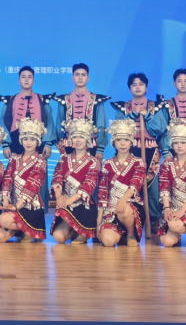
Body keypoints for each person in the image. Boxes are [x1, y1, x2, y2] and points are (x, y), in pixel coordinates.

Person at [110, 73, 168, 231]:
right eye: (134, 84)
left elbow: (160, 128)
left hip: (150, 150)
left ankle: (153, 219)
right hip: (128, 150)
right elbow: (117, 128)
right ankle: (129, 218)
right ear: (129, 89)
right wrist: (133, 115)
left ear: (146, 88)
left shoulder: (156, 106)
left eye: (141, 84)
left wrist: (147, 115)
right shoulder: (122, 107)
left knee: (152, 186)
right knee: (128, 183)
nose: (137, 87)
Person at [0, 66, 56, 211]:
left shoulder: (43, 101)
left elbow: (49, 122)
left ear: (33, 81)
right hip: (16, 142)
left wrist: (48, 143)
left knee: (38, 176)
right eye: (23, 77)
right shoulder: (10, 101)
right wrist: (6, 144)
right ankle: (15, 209)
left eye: (29, 77)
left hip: (39, 143)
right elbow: (3, 124)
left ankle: (38, 211)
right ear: (18, 80)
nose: (26, 79)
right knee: (15, 174)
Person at [0, 117, 48, 243]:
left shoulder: (41, 160)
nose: (28, 142)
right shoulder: (14, 159)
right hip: (14, 205)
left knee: (3, 219)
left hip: (31, 207)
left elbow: (33, 185)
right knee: (0, 236)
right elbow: (7, 181)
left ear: (38, 141)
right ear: (21, 140)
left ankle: (31, 228)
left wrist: (18, 206)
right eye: (25, 139)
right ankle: (25, 229)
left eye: (32, 139)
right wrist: (6, 202)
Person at [97, 119, 146, 247]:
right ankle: (119, 235)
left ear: (131, 142)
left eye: (126, 139)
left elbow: (135, 185)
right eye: (118, 140)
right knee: (107, 241)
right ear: (113, 142)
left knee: (124, 210)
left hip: (130, 206)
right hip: (111, 209)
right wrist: (99, 219)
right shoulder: (106, 164)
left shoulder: (138, 162)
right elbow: (102, 192)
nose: (122, 143)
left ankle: (130, 234)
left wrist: (123, 200)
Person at [50, 118, 100, 245]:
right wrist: (59, 197)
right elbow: (57, 178)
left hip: (83, 205)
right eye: (75, 137)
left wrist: (69, 201)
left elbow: (89, 186)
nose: (78, 140)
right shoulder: (64, 159)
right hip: (65, 203)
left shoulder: (94, 161)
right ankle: (74, 231)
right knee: (58, 237)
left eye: (81, 137)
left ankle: (83, 232)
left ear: (88, 140)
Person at [157, 119, 186, 247]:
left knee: (174, 224)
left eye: (183, 142)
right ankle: (177, 231)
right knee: (166, 242)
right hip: (172, 206)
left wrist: (182, 211)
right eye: (176, 142)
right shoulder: (166, 164)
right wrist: (167, 208)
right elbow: (164, 188)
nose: (179, 146)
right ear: (172, 145)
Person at [54, 63, 110, 159]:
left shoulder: (97, 100)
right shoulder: (63, 100)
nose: (80, 77)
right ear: (73, 77)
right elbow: (59, 125)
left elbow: (101, 125)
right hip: (69, 144)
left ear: (88, 78)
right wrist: (61, 145)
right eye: (77, 75)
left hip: (91, 144)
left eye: (83, 75)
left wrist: (100, 149)